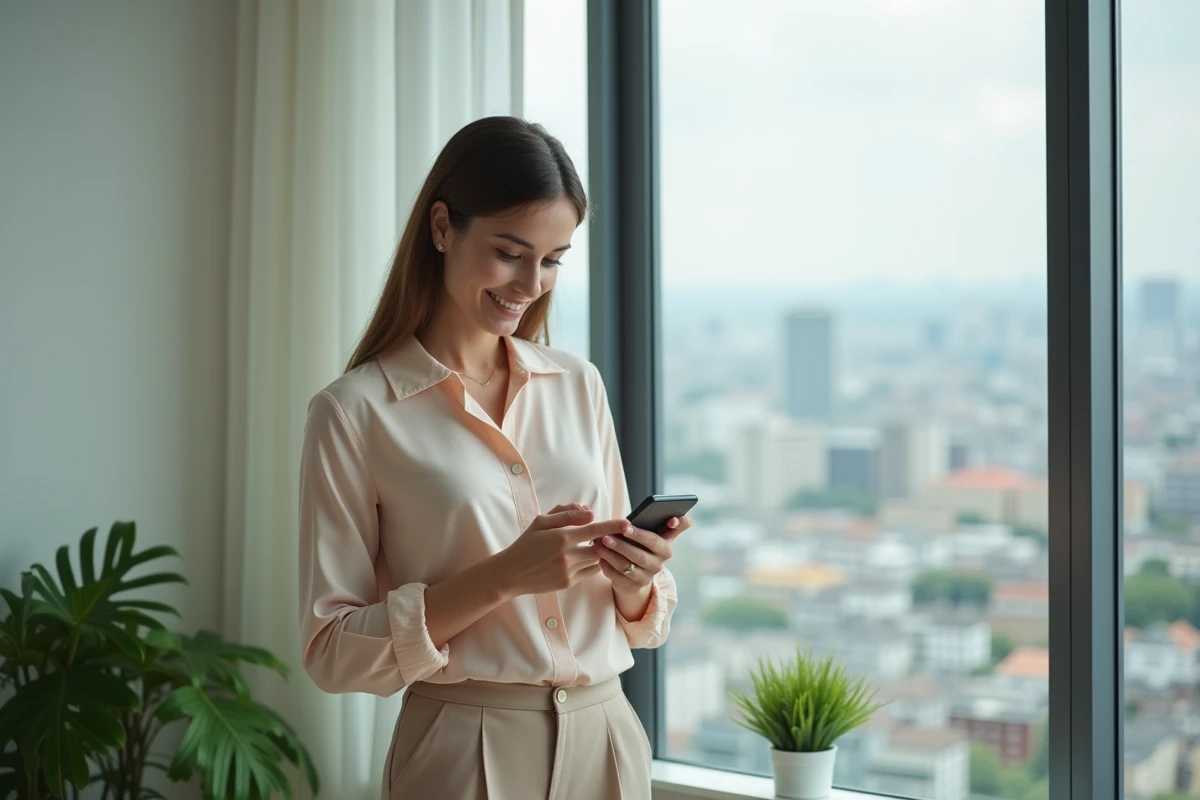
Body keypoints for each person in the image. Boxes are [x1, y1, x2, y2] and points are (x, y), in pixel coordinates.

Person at [298, 116, 689, 800]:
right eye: (510, 252)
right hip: (462, 750)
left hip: (607, 737)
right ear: (443, 226)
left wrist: (635, 578)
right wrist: (504, 576)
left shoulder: (578, 384)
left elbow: (629, 610)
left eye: (554, 258)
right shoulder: (354, 412)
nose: (532, 282)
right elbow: (330, 651)